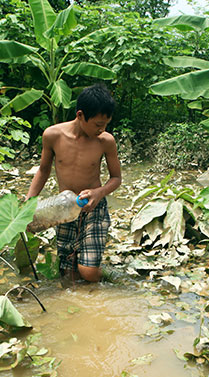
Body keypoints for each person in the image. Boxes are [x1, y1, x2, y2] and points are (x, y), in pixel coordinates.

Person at [26, 84, 122, 282]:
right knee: (68, 273)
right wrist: (29, 202)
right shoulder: (53, 135)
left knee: (87, 272)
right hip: (64, 208)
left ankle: (110, 276)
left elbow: (116, 178)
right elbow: (43, 170)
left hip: (93, 207)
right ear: (80, 115)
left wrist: (98, 193)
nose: (102, 129)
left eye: (105, 124)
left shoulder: (106, 141)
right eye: (97, 124)